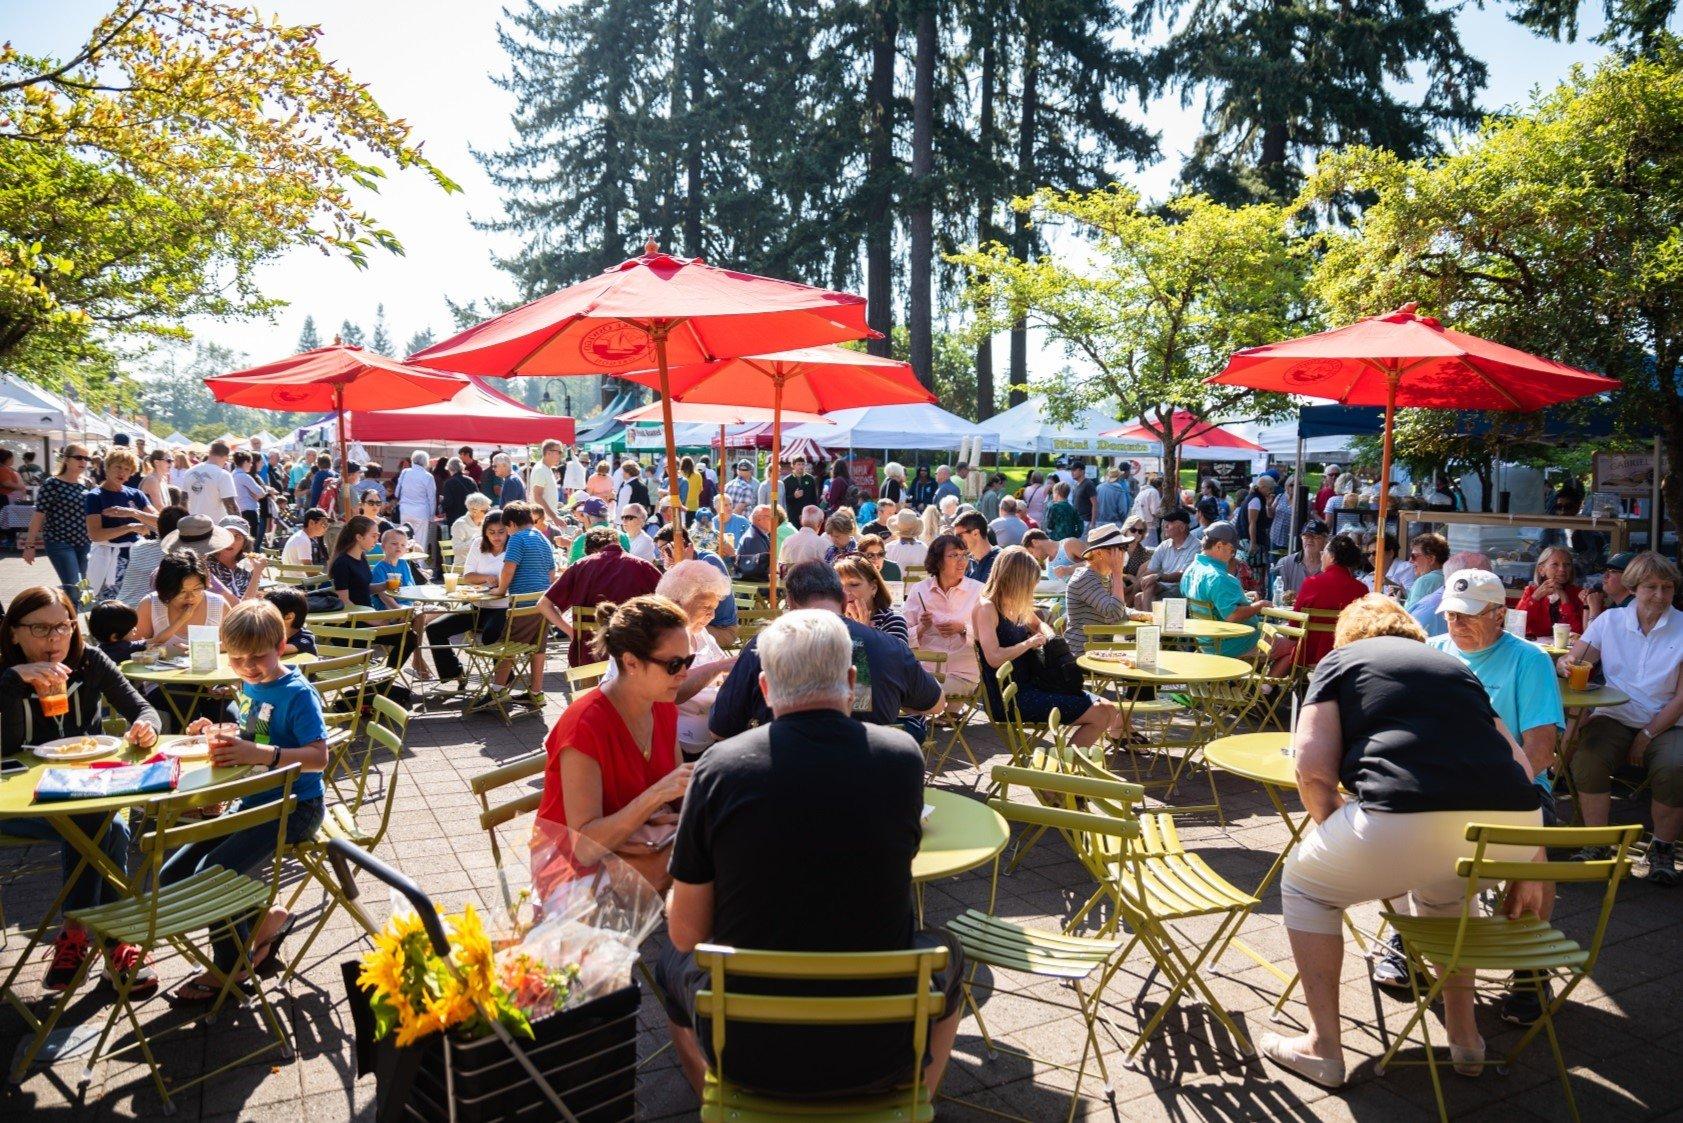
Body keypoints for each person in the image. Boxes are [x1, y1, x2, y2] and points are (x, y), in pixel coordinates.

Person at [658, 609, 964, 1099]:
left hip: (747, 1052)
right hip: (880, 1048)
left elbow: (686, 933)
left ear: (763, 688)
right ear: (851, 681)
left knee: (669, 960)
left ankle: (717, 1100)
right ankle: (916, 1100)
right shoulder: (901, 758)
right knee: (950, 952)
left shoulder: (718, 768)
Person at [1260, 596, 1544, 1089]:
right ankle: (1466, 1039)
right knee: (1447, 896)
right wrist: (1529, 863)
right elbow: (1520, 767)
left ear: (1349, 638)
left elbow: (1311, 767)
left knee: (1305, 886)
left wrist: (1337, 832)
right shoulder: (1455, 670)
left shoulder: (1340, 662)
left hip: (1402, 816)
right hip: (1510, 830)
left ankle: (1323, 1047)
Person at [1384, 567, 1566, 1023]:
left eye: (1468, 615)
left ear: (1499, 615)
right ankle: (1406, 938)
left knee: (1533, 847)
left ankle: (1530, 968)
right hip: (1442, 787)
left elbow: (1541, 751)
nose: (1456, 623)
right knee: (1383, 821)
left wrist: (1495, 791)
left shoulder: (1529, 660)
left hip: (1516, 785)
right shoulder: (1432, 652)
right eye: (1450, 614)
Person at [1, 586, 160, 994]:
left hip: (84, 793)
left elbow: (141, 708)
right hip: (18, 805)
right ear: (14, 632)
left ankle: (76, 933)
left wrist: (146, 727)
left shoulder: (89, 661)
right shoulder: (3, 673)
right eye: (40, 628)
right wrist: (12, 684)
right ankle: (116, 939)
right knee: (105, 825)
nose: (54, 638)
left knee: (100, 821)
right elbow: (7, 748)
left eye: (63, 626)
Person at [166, 600, 328, 1001]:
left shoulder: (298, 693)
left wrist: (261, 754)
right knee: (173, 875)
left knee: (214, 871)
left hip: (296, 807)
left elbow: (318, 757)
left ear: (282, 645)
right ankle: (262, 920)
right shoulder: (252, 684)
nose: (248, 666)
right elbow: (258, 732)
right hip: (255, 802)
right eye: (237, 658)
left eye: (257, 656)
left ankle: (232, 966)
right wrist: (223, 731)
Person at [537, 595, 694, 888]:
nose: (685, 673)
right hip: (573, 881)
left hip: (640, 852)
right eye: (674, 664)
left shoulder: (662, 706)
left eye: (688, 660)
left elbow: (677, 796)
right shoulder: (585, 725)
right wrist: (655, 797)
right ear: (631, 662)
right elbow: (584, 849)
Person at [1559, 552, 1683, 883]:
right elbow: (1574, 659)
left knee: (1675, 767)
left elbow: (1682, 698)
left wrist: (1648, 734)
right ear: (1633, 588)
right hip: (1615, 714)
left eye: (1667, 587)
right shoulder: (1610, 621)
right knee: (1587, 760)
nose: (1660, 595)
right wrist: (1566, 665)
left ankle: (1662, 849)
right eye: (1651, 587)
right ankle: (1597, 844)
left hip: (1668, 721)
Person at [710, 562, 940, 740]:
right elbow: (936, 705)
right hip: (869, 775)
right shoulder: (888, 646)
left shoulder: (762, 645)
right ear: (843, 600)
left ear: (789, 602)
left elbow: (720, 728)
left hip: (784, 774)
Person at [975, 546, 1125, 749]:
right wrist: (1028, 644)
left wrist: (1050, 637)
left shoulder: (1013, 603)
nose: (1031, 591)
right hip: (1011, 700)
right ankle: (1065, 765)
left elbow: (1038, 624)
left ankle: (1066, 763)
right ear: (1015, 580)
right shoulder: (987, 608)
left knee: (1109, 709)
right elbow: (993, 657)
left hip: (1034, 685)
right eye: (1029, 585)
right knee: (1100, 714)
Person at [610, 561, 738, 760]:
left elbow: (727, 669)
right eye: (706, 607)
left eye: (714, 608)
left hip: (704, 743)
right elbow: (670, 690)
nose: (712, 616)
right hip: (661, 748)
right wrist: (718, 668)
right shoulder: (648, 636)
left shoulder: (699, 632)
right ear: (677, 603)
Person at [542, 526, 662, 667]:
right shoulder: (642, 565)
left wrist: (572, 632)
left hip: (588, 652)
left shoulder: (581, 565)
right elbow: (668, 601)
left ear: (591, 550)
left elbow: (543, 604)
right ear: (617, 542)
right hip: (634, 649)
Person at [903, 533, 982, 693]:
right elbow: (902, 637)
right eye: (954, 556)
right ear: (938, 561)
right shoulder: (919, 590)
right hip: (925, 671)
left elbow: (990, 637)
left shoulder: (979, 590)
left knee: (916, 695)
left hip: (962, 674)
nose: (962, 561)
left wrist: (963, 629)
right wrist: (921, 628)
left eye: (964, 555)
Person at [1179, 522, 1271, 657]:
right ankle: (1253, 672)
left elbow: (1209, 599)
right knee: (1291, 648)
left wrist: (1243, 597)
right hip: (1234, 642)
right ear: (1219, 546)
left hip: (1205, 642)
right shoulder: (1218, 577)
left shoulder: (1190, 570)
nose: (1233, 555)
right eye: (1232, 550)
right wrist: (1260, 605)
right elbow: (1232, 615)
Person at [23, 444, 93, 602]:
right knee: (74, 589)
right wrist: (29, 546)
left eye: (86, 458)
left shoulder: (87, 483)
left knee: (85, 589)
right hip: (59, 543)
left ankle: (82, 616)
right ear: (66, 459)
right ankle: (65, 611)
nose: (83, 461)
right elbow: (38, 516)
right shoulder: (52, 484)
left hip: (84, 542)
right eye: (78, 457)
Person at [83, 446, 154, 601]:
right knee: (110, 606)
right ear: (107, 468)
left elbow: (159, 520)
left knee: (137, 603)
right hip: (108, 560)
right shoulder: (95, 496)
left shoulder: (136, 494)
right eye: (118, 467)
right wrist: (130, 527)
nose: (122, 472)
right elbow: (95, 534)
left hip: (137, 557)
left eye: (127, 469)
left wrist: (133, 513)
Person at [1289, 534, 1370, 666]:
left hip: (1308, 656)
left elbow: (1294, 625)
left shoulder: (1311, 583)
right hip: (1346, 657)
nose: (1321, 556)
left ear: (1332, 557)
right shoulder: (1361, 589)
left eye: (1324, 552)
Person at [1063, 524, 1134, 657]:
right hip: (1082, 655)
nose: (1123, 552)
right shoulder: (1085, 578)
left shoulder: (1104, 575)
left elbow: (1120, 610)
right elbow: (1113, 612)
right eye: (1118, 548)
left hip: (1101, 650)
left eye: (1124, 547)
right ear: (1099, 553)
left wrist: (1142, 615)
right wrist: (1118, 573)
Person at [1516, 545, 1588, 640]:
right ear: (1541, 570)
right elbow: (1516, 624)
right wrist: (1535, 598)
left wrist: (1565, 600)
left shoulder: (1578, 594)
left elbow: (1578, 633)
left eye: (1567, 565)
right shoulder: (1531, 591)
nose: (1562, 569)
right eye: (1555, 564)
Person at [836, 554, 909, 645]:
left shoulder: (893, 621)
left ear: (873, 587)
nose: (845, 591)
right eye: (839, 586)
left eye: (854, 584)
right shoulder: (833, 621)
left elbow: (896, 654)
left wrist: (864, 633)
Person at [1135, 508, 1199, 609]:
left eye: (1168, 524)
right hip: (1164, 587)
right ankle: (1146, 616)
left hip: (1182, 589)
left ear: (1182, 527)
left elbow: (1183, 575)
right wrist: (1136, 586)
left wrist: (1158, 576)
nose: (1165, 527)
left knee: (1143, 596)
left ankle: (1148, 616)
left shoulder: (1196, 546)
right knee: (1139, 595)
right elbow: (1150, 571)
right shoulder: (1164, 545)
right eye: (1165, 523)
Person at [206, 516, 268, 602]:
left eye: (237, 536)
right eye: (226, 535)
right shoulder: (206, 567)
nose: (231, 541)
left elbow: (253, 598)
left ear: (245, 543)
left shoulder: (248, 564)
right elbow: (241, 607)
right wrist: (257, 572)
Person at [328, 515, 381, 610]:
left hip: (367, 612)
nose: (376, 540)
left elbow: (363, 589)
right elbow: (344, 601)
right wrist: (370, 616)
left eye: (378, 536)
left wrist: (385, 585)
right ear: (359, 537)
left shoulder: (362, 558)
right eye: (374, 536)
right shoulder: (342, 563)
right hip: (356, 616)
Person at [179, 440, 240, 520]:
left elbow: (183, 500)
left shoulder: (189, 472)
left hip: (193, 523)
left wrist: (186, 521)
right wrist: (239, 524)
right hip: (216, 524)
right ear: (226, 457)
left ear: (210, 453)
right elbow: (231, 506)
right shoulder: (223, 475)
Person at [394, 449, 439, 556]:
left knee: (404, 541)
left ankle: (404, 563)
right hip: (421, 513)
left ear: (412, 460)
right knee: (420, 543)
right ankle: (419, 565)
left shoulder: (405, 472)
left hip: (405, 510)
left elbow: (396, 493)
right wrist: (431, 516)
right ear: (426, 462)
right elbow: (432, 499)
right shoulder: (428, 476)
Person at [1272, 519, 1330, 600]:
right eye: (1306, 536)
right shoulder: (1285, 564)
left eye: (1315, 536)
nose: (1310, 540)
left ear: (1326, 541)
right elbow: (1278, 597)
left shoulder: (1331, 566)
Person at [1401, 532, 1450, 611]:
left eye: (1414, 556)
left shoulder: (1424, 581)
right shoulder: (1450, 578)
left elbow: (1409, 616)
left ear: (1431, 559)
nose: (1410, 560)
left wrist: (1394, 604)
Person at [1585, 551, 1636, 623]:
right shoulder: (1617, 605)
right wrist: (1587, 605)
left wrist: (1595, 609)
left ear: (1630, 577)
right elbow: (1587, 630)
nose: (1605, 575)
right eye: (1606, 570)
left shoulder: (1632, 608)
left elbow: (1596, 631)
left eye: (1612, 571)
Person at [264, 586, 316, 656]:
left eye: (270, 614)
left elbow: (274, 651)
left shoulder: (305, 638)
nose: (263, 617)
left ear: (289, 617)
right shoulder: (272, 633)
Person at [232, 450, 268, 547]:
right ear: (245, 462)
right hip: (249, 512)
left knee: (241, 541)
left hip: (238, 511)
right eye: (250, 462)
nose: (251, 465)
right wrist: (256, 494)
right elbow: (261, 493)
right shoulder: (244, 477)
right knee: (250, 542)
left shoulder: (232, 474)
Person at [1129, 471, 1164, 547]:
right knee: (1150, 549)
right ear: (1160, 487)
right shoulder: (1154, 492)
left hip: (1139, 525)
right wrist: (1165, 512)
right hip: (1149, 526)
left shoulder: (1142, 492)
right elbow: (1155, 511)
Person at [1068, 461, 1097, 530]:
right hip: (1077, 520)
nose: (1072, 473)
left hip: (1086, 521)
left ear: (1082, 471)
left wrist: (1093, 522)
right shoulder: (1075, 484)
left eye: (1074, 470)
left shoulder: (1088, 484)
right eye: (1071, 470)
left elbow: (1095, 504)